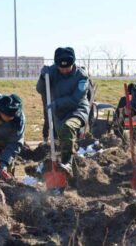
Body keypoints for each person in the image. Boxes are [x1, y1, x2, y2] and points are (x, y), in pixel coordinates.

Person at [36, 47, 90, 177]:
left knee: (68, 127)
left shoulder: (81, 76)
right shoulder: (52, 72)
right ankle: (74, 175)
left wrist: (56, 103)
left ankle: (67, 163)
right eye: (61, 67)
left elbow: (76, 98)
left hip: (77, 110)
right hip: (59, 114)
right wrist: (43, 78)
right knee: (62, 140)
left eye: (68, 67)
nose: (65, 70)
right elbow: (40, 89)